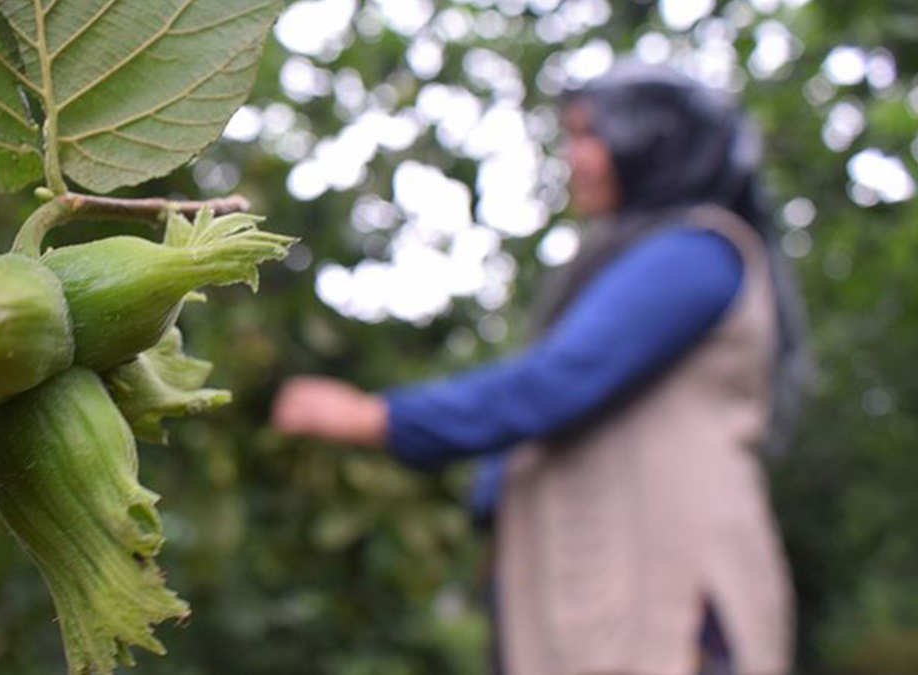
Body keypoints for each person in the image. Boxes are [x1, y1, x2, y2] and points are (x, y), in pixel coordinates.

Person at [271, 61, 807, 675]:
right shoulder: (638, 258)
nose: (575, 158)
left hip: (670, 598)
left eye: (591, 136)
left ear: (653, 144)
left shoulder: (700, 252)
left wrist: (377, 417)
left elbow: (556, 384)